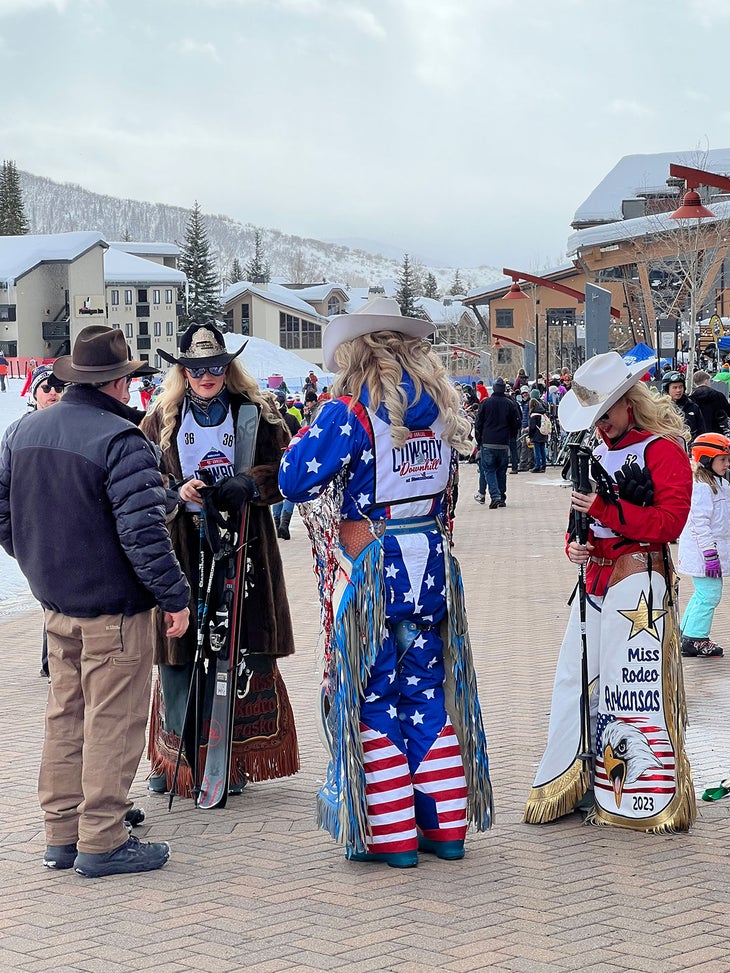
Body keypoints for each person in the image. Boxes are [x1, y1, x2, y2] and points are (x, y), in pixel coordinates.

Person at [279, 297, 492, 867]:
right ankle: (445, 828)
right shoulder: (443, 410)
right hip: (431, 561)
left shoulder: (349, 412)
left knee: (372, 696)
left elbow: (295, 480)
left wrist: (309, 432)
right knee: (426, 695)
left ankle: (393, 836)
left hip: (373, 565)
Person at [0, 325, 191, 877]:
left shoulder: (24, 431)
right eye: (128, 380)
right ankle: (102, 838)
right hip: (113, 608)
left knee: (66, 716)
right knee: (113, 720)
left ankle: (62, 834)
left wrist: (38, 562)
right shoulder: (121, 441)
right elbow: (144, 533)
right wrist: (174, 596)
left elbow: (4, 514)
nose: (132, 390)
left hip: (57, 603)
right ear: (116, 383)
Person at [523, 351, 696, 833]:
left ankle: (641, 795)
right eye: (593, 420)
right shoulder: (596, 453)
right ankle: (567, 781)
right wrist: (573, 544)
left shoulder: (663, 451)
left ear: (627, 403)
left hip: (638, 582)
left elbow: (668, 524)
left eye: (604, 416)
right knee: (571, 682)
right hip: (595, 581)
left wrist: (603, 510)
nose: (599, 428)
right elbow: (579, 521)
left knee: (632, 692)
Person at [141, 321, 299, 798]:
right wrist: (174, 490)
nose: (206, 377)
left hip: (245, 543)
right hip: (185, 546)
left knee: (239, 650)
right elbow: (137, 478)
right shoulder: (160, 418)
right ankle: (178, 760)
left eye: (214, 367)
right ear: (183, 372)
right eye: (195, 369)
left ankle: (232, 754)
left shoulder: (255, 412)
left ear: (227, 367)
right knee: (181, 648)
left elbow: (287, 468)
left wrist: (250, 483)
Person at [2, 364, 68, 679]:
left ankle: (56, 661)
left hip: (71, 526)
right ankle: (53, 661)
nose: (53, 392)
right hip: (37, 529)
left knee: (62, 599)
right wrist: (14, 539)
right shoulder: (17, 432)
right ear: (34, 393)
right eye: (46, 387)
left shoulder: (74, 427)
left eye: (58, 386)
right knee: (50, 597)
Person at [677, 433, 730, 658]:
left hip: (713, 551)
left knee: (703, 593)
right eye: (722, 459)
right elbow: (699, 523)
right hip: (704, 553)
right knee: (710, 595)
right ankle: (696, 638)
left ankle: (686, 632)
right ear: (707, 460)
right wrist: (709, 554)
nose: (727, 464)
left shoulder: (721, 482)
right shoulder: (701, 487)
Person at [474, 377, 521, 506]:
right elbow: (516, 423)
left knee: (489, 470)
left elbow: (478, 423)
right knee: (501, 471)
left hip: (488, 442)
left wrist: (480, 440)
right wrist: (510, 435)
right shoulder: (510, 404)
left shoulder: (486, 403)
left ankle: (495, 496)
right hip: (503, 443)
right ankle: (501, 497)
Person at [270, 389, 300, 540]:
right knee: (289, 493)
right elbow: (300, 437)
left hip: (274, 460)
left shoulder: (269, 419)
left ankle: (277, 525)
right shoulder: (291, 418)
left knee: (278, 492)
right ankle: (284, 524)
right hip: (290, 460)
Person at [662, 370, 705, 440]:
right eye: (675, 387)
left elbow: (701, 431)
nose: (678, 390)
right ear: (666, 389)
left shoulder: (692, 407)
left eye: (681, 387)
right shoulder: (660, 408)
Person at [690, 370, 730, 435]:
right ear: (706, 381)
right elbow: (728, 411)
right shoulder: (718, 395)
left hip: (699, 433)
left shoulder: (691, 398)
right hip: (716, 432)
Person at [527, 391, 548, 473]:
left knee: (537, 451)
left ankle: (537, 466)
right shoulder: (542, 412)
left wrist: (530, 435)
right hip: (543, 433)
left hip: (536, 434)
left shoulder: (534, 415)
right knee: (542, 449)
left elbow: (532, 427)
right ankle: (543, 465)